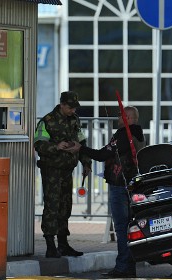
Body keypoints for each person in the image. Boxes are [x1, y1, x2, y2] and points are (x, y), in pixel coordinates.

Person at [70, 106, 145, 278]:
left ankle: (122, 267)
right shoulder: (139, 135)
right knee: (130, 227)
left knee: (121, 228)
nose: (118, 118)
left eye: (121, 115)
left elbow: (103, 154)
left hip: (120, 185)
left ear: (127, 117)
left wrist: (80, 148)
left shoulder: (122, 134)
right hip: (133, 185)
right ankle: (129, 266)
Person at [34, 91, 91, 258]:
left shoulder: (74, 120)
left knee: (65, 206)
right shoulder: (47, 121)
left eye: (75, 108)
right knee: (52, 206)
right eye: (70, 107)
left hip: (67, 170)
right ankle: (50, 245)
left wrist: (86, 162)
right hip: (52, 169)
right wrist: (56, 147)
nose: (73, 110)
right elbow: (39, 144)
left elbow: (81, 141)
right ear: (62, 105)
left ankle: (63, 244)